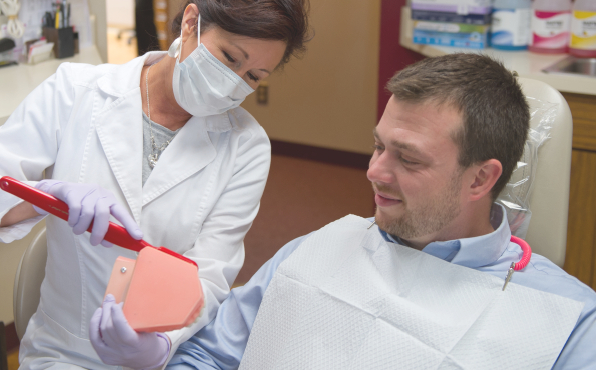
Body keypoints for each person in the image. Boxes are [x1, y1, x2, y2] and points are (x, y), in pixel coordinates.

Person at [0, 0, 310, 369]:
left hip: (165, 355)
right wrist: (42, 197)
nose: (233, 84)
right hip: (63, 354)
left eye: (253, 77)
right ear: (191, 22)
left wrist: (159, 348)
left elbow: (209, 273)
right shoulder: (75, 91)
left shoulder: (247, 146)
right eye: (229, 58)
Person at [168, 54, 596, 370]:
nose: (374, 171)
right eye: (378, 145)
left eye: (408, 159)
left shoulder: (566, 320)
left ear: (481, 180)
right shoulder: (318, 248)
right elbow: (210, 355)